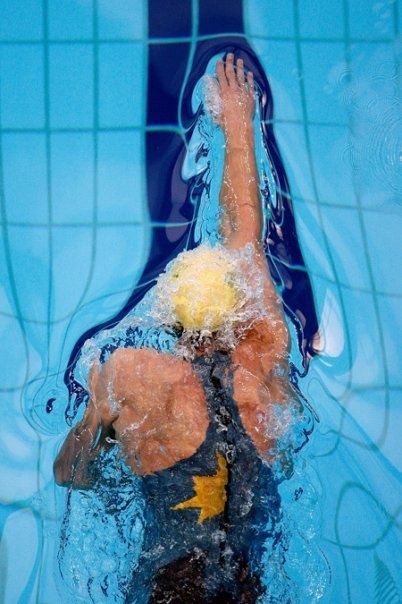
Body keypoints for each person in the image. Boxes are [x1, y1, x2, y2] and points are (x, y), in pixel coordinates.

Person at [54, 53, 294, 603]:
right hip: (243, 586)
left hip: (169, 588)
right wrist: (239, 122)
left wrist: (96, 417)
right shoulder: (266, 355)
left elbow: (72, 475)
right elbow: (245, 244)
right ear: (239, 312)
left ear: (169, 318)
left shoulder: (130, 376)